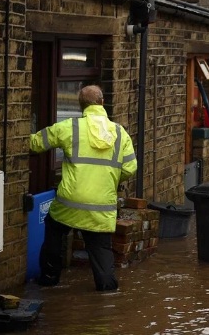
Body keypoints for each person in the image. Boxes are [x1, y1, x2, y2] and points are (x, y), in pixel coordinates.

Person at [29, 85, 137, 291]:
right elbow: (130, 168)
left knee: (54, 228)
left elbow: (34, 143)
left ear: (81, 106)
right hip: (102, 207)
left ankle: (49, 279)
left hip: (69, 204)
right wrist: (110, 179)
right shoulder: (120, 133)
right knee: (101, 250)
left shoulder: (69, 127)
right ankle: (107, 290)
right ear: (102, 103)